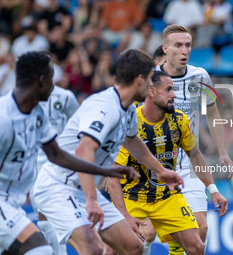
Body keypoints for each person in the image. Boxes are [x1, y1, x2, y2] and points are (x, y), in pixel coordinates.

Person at [32, 49, 184, 255]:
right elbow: (84, 149)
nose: (151, 84)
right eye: (149, 78)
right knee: (92, 248)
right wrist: (92, 199)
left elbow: (131, 140)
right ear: (140, 79)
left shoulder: (127, 108)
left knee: (133, 247)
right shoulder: (105, 108)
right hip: (58, 187)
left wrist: (160, 171)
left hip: (80, 187)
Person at [0, 51, 138, 255]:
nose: (56, 82)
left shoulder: (37, 113)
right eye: (53, 76)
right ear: (41, 81)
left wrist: (106, 171)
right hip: (4, 202)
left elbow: (58, 156)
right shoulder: (3, 117)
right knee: (42, 251)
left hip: (13, 203)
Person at [106, 71, 228, 255]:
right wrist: (124, 215)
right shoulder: (130, 123)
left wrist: (213, 189)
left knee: (197, 247)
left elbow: (195, 155)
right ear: (151, 92)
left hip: (166, 196)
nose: (174, 95)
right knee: (112, 250)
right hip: (132, 197)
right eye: (169, 90)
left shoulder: (179, 119)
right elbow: (113, 173)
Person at [155, 24, 233, 254]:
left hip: (189, 166)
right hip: (154, 168)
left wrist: (223, 152)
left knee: (200, 229)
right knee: (146, 234)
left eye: (187, 45)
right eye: (178, 45)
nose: (184, 50)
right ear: (165, 49)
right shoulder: (150, 77)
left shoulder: (201, 76)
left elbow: (212, 112)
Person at [31, 82, 79, 255]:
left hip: (58, 161)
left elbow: (79, 124)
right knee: (42, 217)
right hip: (32, 161)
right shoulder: (26, 96)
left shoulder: (65, 96)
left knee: (47, 213)